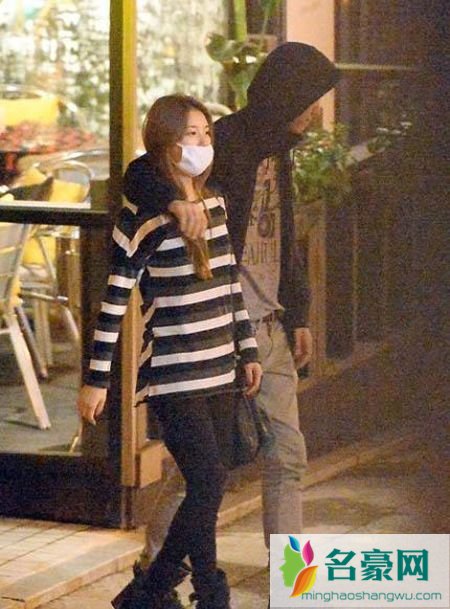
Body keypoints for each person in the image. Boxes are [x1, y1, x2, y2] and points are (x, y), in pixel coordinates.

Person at [140, 43, 340, 569]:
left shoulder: (280, 152)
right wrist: (175, 201)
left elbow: (283, 238)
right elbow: (141, 173)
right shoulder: (224, 140)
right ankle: (153, 572)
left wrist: (297, 314)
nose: (316, 110)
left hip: (269, 329)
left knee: (287, 457)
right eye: (312, 97)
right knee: (201, 470)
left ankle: (292, 582)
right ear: (288, 95)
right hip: (217, 331)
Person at [77, 94, 262, 609]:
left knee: (207, 487)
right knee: (208, 482)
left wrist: (247, 350)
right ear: (165, 144)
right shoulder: (142, 219)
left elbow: (230, 286)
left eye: (206, 133)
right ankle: (154, 590)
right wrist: (96, 380)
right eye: (190, 135)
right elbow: (114, 301)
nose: (202, 143)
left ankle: (208, 591)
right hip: (174, 375)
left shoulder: (216, 204)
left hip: (220, 368)